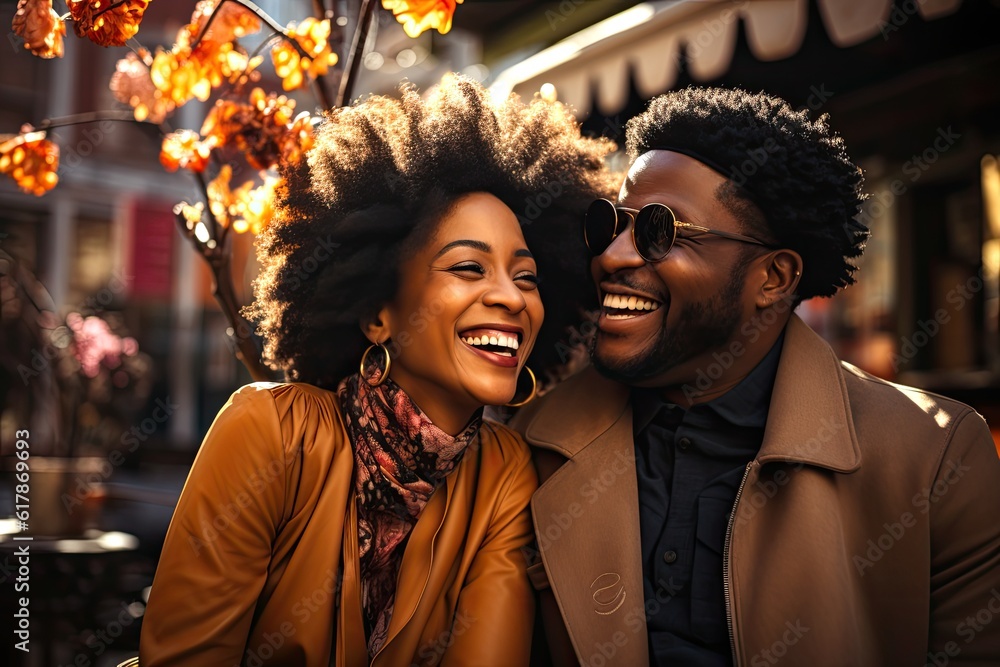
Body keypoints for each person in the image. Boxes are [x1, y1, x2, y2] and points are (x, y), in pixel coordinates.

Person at [137, 75, 616, 666]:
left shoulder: (506, 476)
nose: (512, 299)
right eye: (468, 268)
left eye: (526, 277)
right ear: (376, 314)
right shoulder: (270, 433)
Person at [512, 86, 1000, 666]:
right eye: (611, 223)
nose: (613, 256)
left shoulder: (935, 458)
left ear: (773, 277)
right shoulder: (525, 443)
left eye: (660, 231)